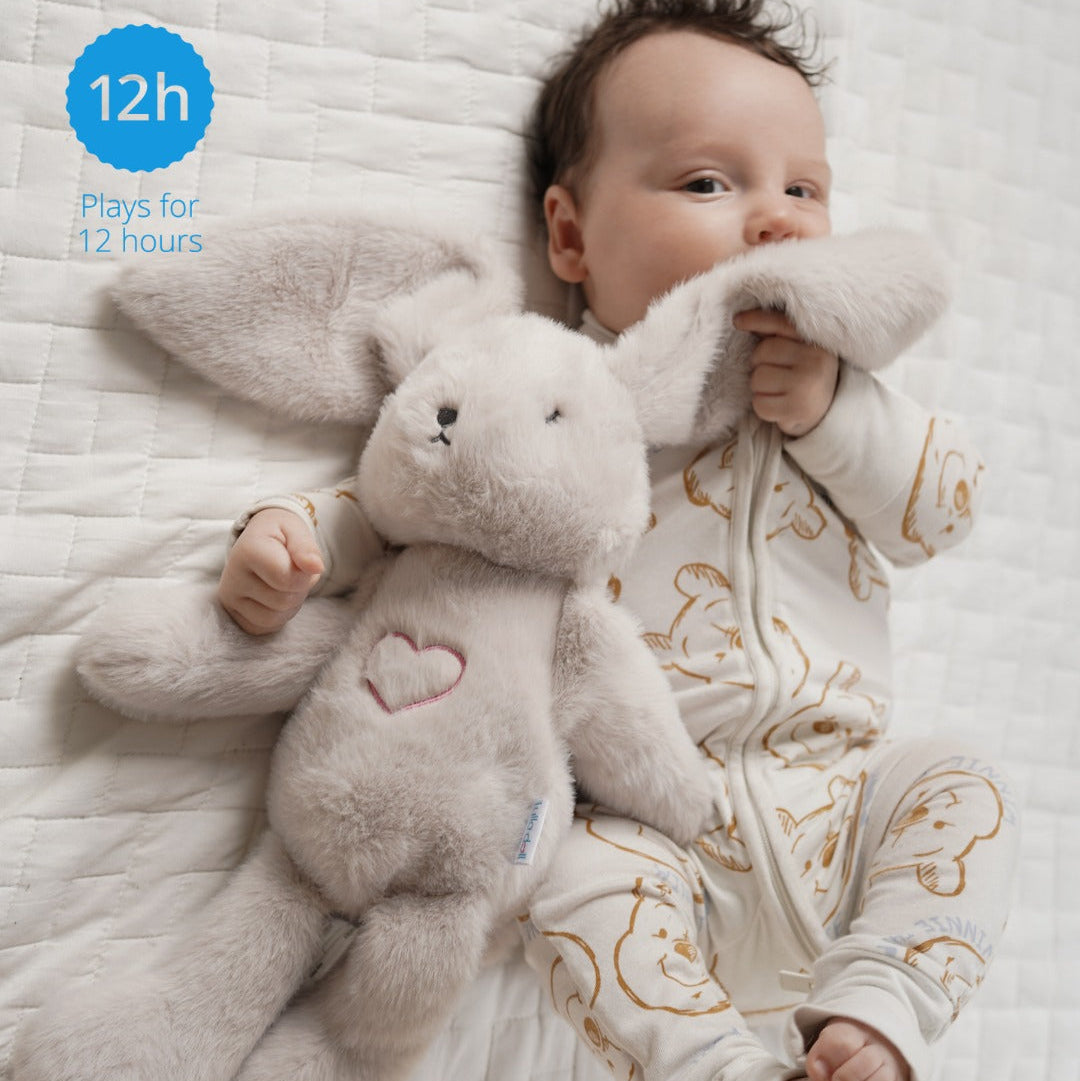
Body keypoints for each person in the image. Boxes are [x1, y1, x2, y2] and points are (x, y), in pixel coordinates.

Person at [217, 3, 1018, 1079]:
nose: (775, 220)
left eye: (804, 188)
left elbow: (945, 511)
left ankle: (880, 1008)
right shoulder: (559, 394)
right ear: (569, 236)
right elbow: (429, 497)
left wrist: (839, 416)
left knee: (962, 786)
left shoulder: (844, 392)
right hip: (652, 824)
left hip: (845, 799)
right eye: (707, 183)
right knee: (565, 870)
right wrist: (294, 536)